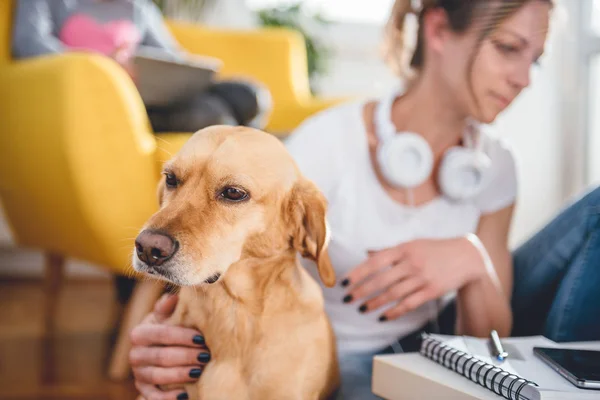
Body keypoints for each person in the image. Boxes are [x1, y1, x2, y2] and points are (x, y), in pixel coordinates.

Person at [128, 0, 600, 399]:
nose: (524, 78)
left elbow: (492, 342)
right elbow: (231, 250)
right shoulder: (325, 144)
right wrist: (162, 336)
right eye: (508, 48)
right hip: (340, 354)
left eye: (534, 59)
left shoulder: (496, 164)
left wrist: (472, 261)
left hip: (450, 343)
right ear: (437, 30)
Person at [11, 0, 272, 133]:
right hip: (113, 104)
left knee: (251, 95)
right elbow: (29, 44)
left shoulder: (139, 9)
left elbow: (173, 57)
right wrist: (103, 66)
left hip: (157, 93)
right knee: (214, 115)